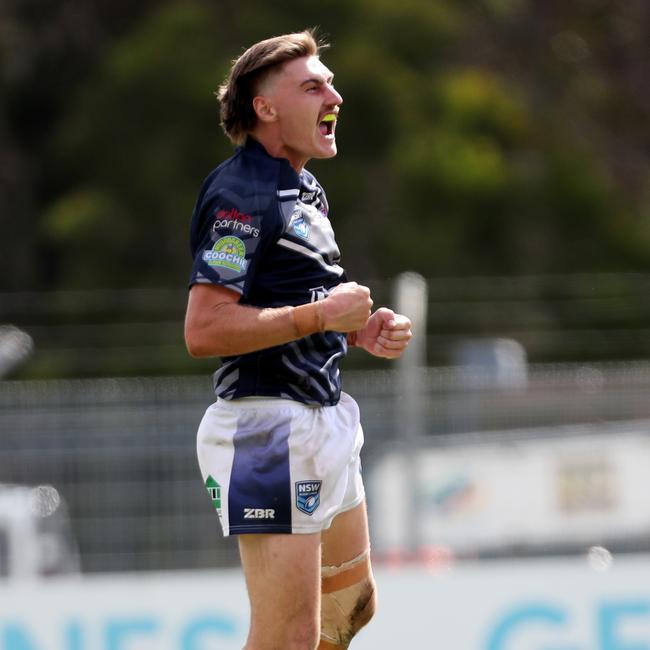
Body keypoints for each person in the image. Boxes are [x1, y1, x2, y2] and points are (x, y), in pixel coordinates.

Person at [184, 29, 412, 650]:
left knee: (351, 609)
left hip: (322, 416)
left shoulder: (306, 189)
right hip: (265, 432)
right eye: (312, 85)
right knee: (288, 637)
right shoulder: (241, 193)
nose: (334, 93)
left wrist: (357, 329)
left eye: (329, 82)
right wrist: (319, 318)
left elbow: (294, 306)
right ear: (265, 107)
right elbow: (204, 329)